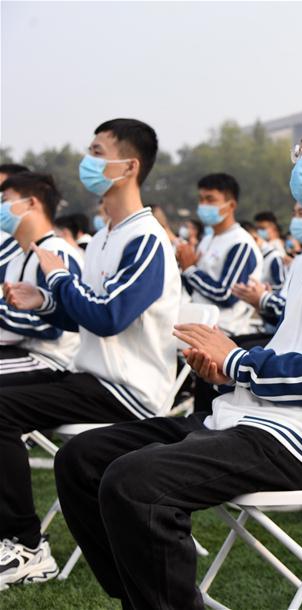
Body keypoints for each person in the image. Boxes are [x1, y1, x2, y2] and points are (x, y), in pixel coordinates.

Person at [53, 98, 302, 610]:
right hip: (251, 419)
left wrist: (237, 362)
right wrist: (224, 369)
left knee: (135, 483)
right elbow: (286, 350)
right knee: (83, 458)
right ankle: (146, 598)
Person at [0, 118, 180, 588]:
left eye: (98, 152)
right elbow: (86, 316)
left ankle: (26, 545)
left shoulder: (147, 239)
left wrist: (57, 278)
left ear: (129, 166)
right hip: (93, 375)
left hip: (127, 390)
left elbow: (109, 317)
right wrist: (47, 302)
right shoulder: (105, 237)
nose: (88, 160)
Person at [0, 173, 84, 385]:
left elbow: (53, 327)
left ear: (31, 203)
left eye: (5, 201)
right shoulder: (19, 257)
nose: (1, 208)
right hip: (23, 351)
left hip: (54, 360)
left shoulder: (55, 252)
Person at [176, 173, 262, 337]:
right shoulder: (207, 239)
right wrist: (184, 266)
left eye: (210, 200)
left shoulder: (240, 243)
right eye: (201, 199)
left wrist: (190, 270)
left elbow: (227, 294)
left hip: (225, 332)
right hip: (199, 325)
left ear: (231, 205)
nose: (203, 205)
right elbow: (196, 289)